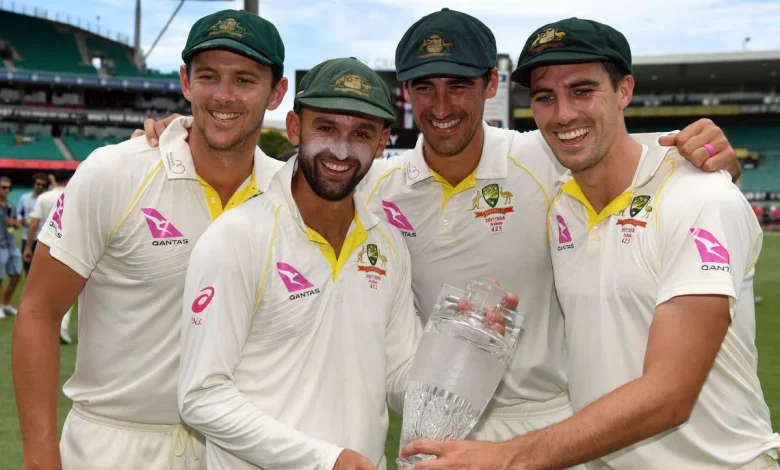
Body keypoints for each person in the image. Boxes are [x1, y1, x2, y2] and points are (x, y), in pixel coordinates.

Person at [137, 8, 741, 453]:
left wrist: (707, 152)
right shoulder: (376, 186)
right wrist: (177, 133)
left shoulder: (547, 156)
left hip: (551, 424)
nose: (442, 104)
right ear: (404, 96)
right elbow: (302, 176)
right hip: (435, 432)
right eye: (424, 86)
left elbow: (622, 155)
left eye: (459, 84)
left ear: (491, 85)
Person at [400, 17, 780, 470]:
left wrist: (508, 457)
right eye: (545, 97)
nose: (563, 114)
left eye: (582, 90)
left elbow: (670, 395)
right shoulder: (561, 201)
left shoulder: (699, 195)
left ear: (624, 91)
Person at [12, 9, 287, 470]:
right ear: (185, 81)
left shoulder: (289, 194)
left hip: (241, 450)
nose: (223, 95)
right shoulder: (115, 171)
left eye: (244, 79)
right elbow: (39, 311)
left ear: (276, 93)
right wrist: (41, 457)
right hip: (112, 447)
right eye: (208, 76)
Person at [178, 56, 436, 470]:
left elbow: (402, 378)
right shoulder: (238, 237)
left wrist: (465, 350)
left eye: (361, 133)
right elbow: (201, 397)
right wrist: (325, 460)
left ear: (382, 141)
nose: (341, 149)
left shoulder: (388, 245)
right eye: (327, 128)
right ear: (296, 127)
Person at [24, 169, 74, 344]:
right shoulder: (74, 195)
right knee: (68, 289)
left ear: (53, 179)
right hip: (69, 245)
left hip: (46, 244)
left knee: (41, 288)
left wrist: (28, 246)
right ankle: (61, 326)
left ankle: (38, 326)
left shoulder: (43, 198)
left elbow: (34, 224)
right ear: (68, 180)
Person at [17, 172, 50, 273]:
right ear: (34, 184)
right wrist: (20, 220)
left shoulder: (47, 199)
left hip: (43, 238)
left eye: (43, 185)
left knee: (41, 269)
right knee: (27, 266)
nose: (40, 186)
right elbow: (19, 213)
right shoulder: (24, 198)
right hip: (27, 237)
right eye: (38, 184)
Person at [0, 175, 22, 317]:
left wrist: (14, 224)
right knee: (0, 277)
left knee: (16, 274)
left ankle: (6, 303)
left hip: (10, 244)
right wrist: (10, 222)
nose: (6, 190)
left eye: (8, 188)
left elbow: (13, 226)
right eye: (3, 187)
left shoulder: (11, 205)